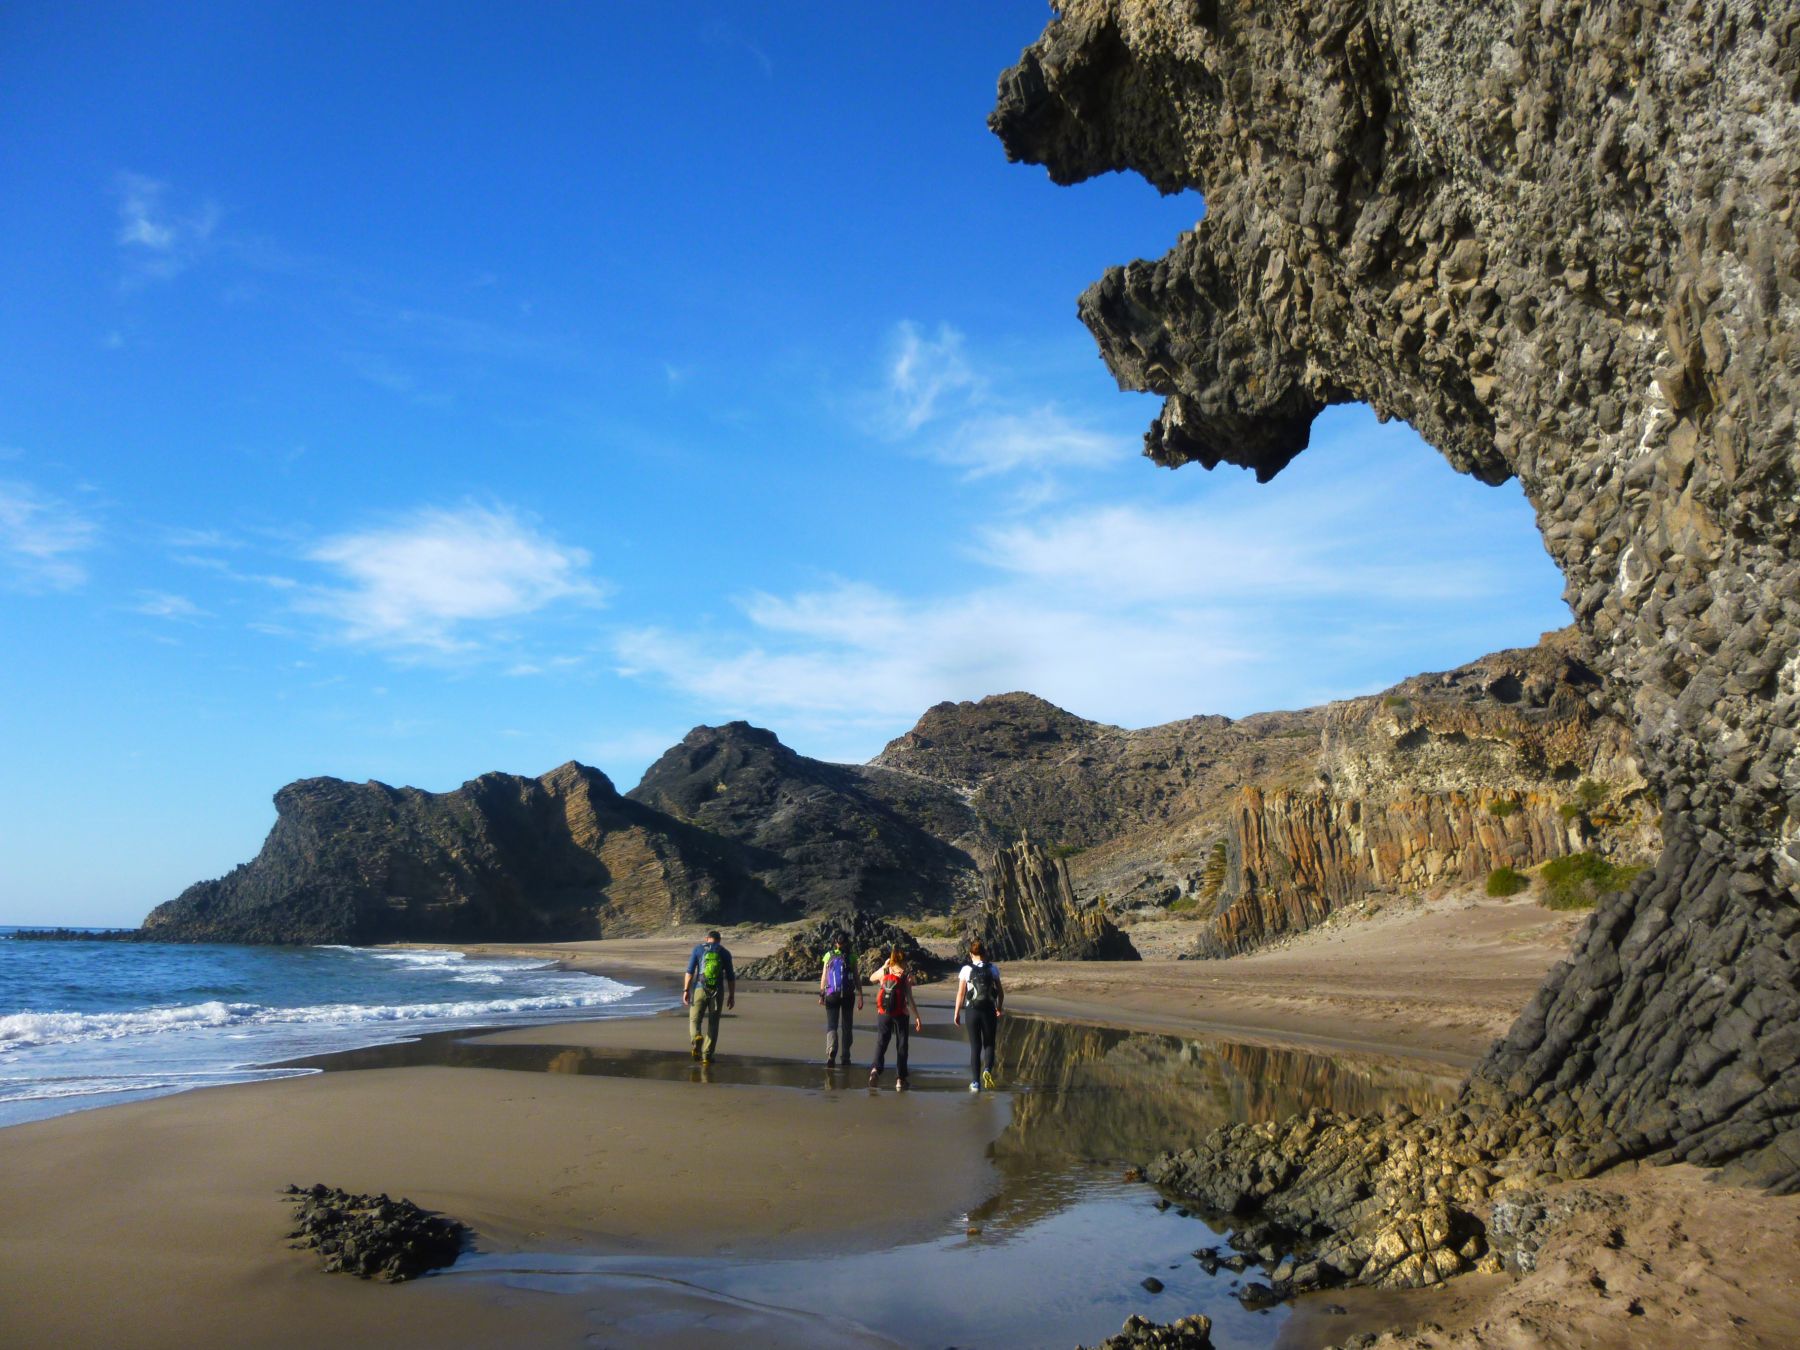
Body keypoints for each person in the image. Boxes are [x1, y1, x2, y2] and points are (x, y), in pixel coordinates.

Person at [952, 937, 1004, 1091]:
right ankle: (987, 1070)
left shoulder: (966, 970)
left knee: (975, 1046)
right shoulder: (993, 969)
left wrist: (956, 1012)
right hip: (989, 1009)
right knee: (989, 1044)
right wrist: (999, 1008)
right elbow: (1001, 993)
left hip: (972, 1010)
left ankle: (975, 1082)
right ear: (985, 953)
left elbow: (961, 994)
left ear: (970, 954)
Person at [867, 945, 922, 1091]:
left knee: (881, 1042)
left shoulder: (885, 971)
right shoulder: (905, 976)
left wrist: (884, 966)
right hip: (901, 1014)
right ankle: (900, 1079)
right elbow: (909, 998)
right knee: (902, 1045)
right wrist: (917, 1017)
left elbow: (871, 978)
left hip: (883, 1013)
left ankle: (875, 1070)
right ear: (903, 960)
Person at [682, 929, 736, 1063]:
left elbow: (689, 972)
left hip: (700, 989)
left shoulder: (698, 950)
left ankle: (696, 1037)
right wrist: (731, 996)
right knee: (713, 1023)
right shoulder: (724, 953)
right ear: (719, 940)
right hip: (717, 992)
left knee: (694, 1020)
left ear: (707, 939)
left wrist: (686, 990)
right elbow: (730, 977)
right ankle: (707, 1055)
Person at [818, 932, 864, 1067]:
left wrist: (822, 994)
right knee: (847, 1026)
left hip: (832, 994)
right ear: (847, 942)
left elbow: (824, 976)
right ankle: (845, 1056)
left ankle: (831, 1050)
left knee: (832, 1024)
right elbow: (856, 977)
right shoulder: (852, 956)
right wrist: (860, 995)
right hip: (848, 995)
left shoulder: (829, 955)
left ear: (835, 942)